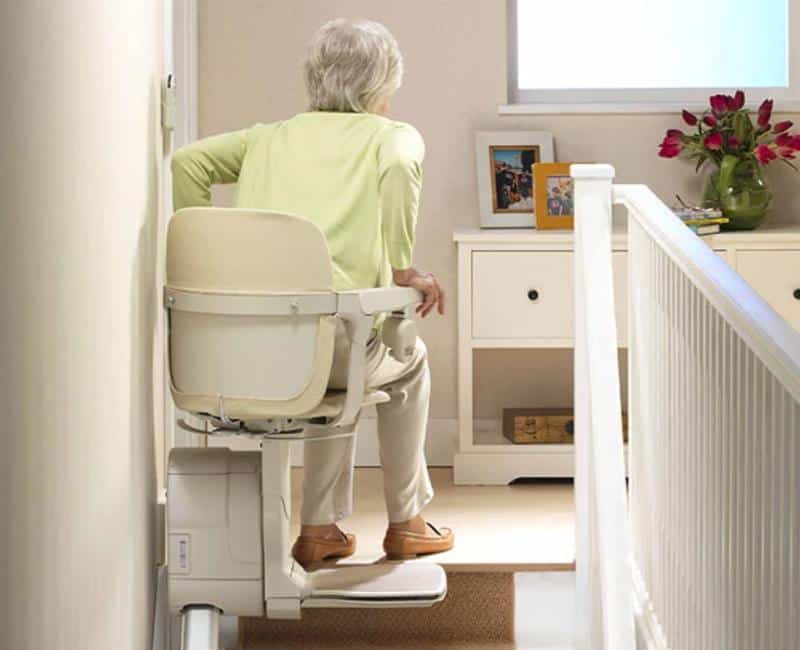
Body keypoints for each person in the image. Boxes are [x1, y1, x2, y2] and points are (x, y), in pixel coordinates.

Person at [170, 18, 453, 568]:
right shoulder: (392, 137)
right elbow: (398, 166)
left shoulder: (266, 138)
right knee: (402, 359)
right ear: (384, 80)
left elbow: (188, 162)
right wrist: (402, 268)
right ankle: (407, 521)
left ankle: (321, 530)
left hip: (250, 350)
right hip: (336, 349)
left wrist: (200, 256)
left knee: (330, 361)